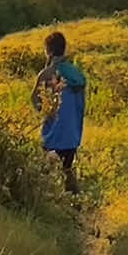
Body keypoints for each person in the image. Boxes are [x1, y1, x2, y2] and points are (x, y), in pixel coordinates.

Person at [31, 30, 87, 194]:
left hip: (52, 135)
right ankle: (75, 204)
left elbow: (35, 101)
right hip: (72, 133)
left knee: (45, 173)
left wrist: (46, 112)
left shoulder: (47, 74)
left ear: (48, 51)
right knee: (67, 170)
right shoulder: (76, 74)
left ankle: (51, 203)